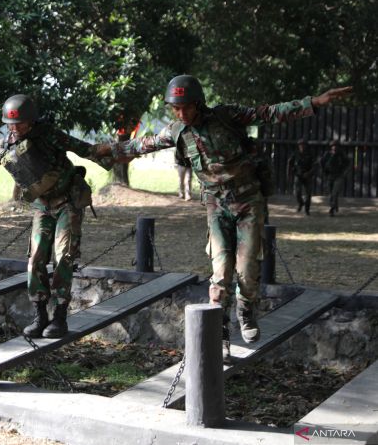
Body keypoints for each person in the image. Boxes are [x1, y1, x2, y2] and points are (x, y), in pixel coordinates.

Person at [96, 75, 352, 359]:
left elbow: (268, 113)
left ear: (198, 103)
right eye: (175, 108)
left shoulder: (226, 116)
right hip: (216, 206)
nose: (181, 113)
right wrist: (108, 150)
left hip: (248, 201)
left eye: (186, 107)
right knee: (220, 273)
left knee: (247, 269)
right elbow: (143, 145)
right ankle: (221, 333)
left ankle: (246, 310)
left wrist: (314, 102)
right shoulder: (177, 131)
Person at [0, 94, 113, 339]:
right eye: (11, 124)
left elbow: (85, 149)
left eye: (20, 124)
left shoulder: (50, 135)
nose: (15, 128)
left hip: (67, 202)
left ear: (32, 121)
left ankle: (59, 316)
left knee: (63, 256)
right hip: (42, 206)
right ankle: (40, 315)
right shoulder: (7, 144)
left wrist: (113, 152)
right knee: (36, 257)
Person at [320, 140, 351, 217]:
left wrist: (344, 174)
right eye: (333, 146)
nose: (334, 147)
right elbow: (321, 163)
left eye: (336, 146)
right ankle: (334, 205)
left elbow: (348, 164)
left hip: (338, 176)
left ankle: (331, 209)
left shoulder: (342, 155)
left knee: (334, 192)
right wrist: (324, 172)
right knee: (331, 194)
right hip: (330, 176)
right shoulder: (327, 154)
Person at [287, 139, 317, 215]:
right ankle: (300, 203)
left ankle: (307, 209)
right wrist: (289, 174)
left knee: (308, 194)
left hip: (308, 176)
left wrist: (309, 173)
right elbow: (290, 163)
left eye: (304, 145)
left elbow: (315, 166)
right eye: (300, 145)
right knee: (297, 192)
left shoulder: (310, 154)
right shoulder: (295, 154)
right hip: (298, 175)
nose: (302, 146)